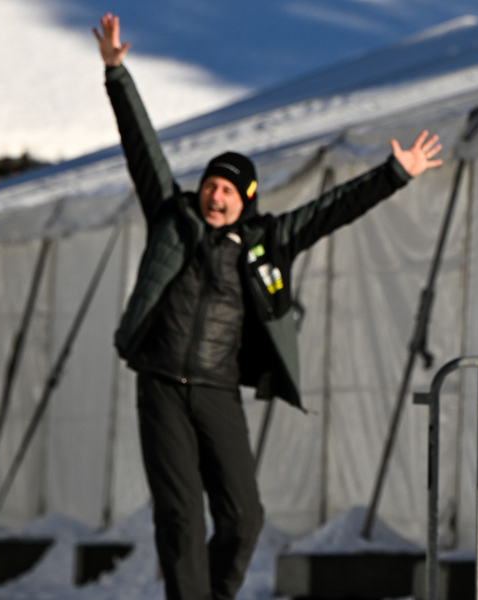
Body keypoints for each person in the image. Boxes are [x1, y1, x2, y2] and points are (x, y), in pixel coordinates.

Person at [93, 13, 442, 600]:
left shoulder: (266, 241)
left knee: (243, 517)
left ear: (246, 199)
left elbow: (333, 208)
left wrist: (393, 175)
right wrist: (116, 73)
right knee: (178, 515)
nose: (214, 193)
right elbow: (143, 148)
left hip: (216, 389)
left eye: (227, 188)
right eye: (209, 184)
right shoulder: (171, 219)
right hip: (159, 382)